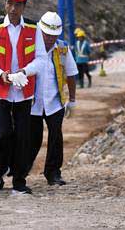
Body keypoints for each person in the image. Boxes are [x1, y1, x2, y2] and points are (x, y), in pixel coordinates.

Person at [0, 0, 46, 195]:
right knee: (2, 133)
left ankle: (19, 179)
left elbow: (41, 59)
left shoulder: (34, 29)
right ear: (5, 3)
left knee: (23, 136)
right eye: (10, 3)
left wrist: (25, 72)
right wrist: (2, 75)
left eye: (18, 4)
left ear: (25, 5)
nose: (14, 8)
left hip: (24, 91)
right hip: (1, 90)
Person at [28, 12, 78, 186]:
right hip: (33, 103)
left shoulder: (62, 49)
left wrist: (72, 100)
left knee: (56, 137)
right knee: (32, 139)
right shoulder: (30, 48)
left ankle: (53, 172)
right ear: (40, 31)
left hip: (54, 102)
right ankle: (22, 170)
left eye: (53, 35)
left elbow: (71, 74)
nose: (50, 39)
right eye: (47, 35)